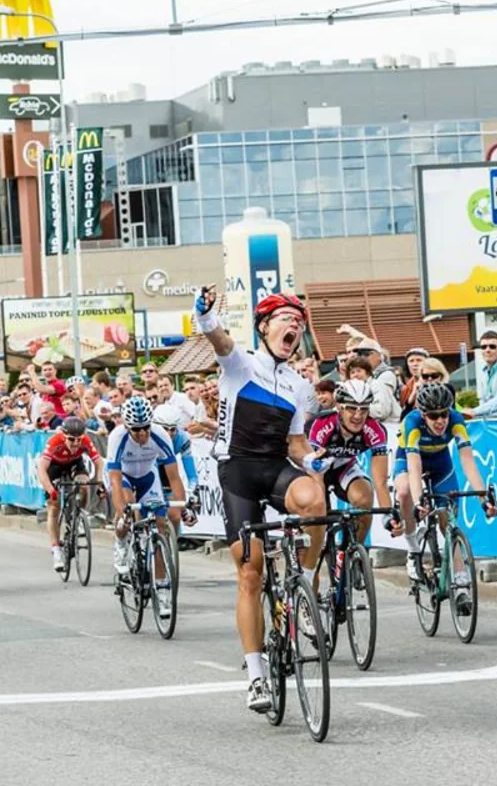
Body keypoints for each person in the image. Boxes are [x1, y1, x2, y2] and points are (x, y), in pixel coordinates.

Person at [193, 284, 325, 713]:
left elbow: (297, 445)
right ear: (265, 325)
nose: (295, 327)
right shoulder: (240, 365)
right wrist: (206, 315)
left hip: (275, 466)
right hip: (238, 472)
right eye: (287, 319)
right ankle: (255, 675)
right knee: (250, 574)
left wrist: (317, 461)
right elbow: (219, 339)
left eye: (299, 323)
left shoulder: (300, 386)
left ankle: (305, 586)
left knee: (314, 500)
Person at [392, 383, 497, 590]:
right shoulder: (411, 423)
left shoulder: (456, 420)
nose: (440, 421)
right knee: (404, 492)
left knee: (447, 520)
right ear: (422, 414)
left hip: (440, 463)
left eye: (444, 414)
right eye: (433, 416)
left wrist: (484, 499)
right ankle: (413, 550)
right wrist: (418, 501)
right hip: (409, 460)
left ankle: (459, 577)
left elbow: (468, 462)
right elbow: (414, 467)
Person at [106, 397, 194, 618]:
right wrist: (122, 512)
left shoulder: (160, 435)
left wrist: (183, 508)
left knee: (160, 528)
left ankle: (162, 587)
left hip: (148, 477)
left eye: (146, 427)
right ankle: (121, 543)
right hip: (124, 478)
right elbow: (115, 480)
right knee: (126, 512)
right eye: (137, 430)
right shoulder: (117, 437)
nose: (143, 434)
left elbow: (174, 477)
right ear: (127, 426)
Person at [307, 380, 394, 544]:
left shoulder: (374, 429)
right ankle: (310, 566)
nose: (358, 416)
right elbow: (313, 469)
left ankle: (353, 553)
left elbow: (380, 481)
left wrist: (388, 515)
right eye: (352, 408)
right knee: (316, 517)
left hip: (343, 468)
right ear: (339, 407)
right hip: (316, 471)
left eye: (364, 409)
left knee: (365, 496)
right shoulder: (322, 424)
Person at [37, 416, 105, 572]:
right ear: (63, 435)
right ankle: (55, 550)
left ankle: (80, 515)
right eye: (71, 439)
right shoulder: (55, 442)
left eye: (78, 440)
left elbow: (99, 462)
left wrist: (100, 483)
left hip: (74, 463)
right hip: (54, 466)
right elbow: (41, 469)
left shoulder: (85, 440)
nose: (75, 443)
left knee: (84, 484)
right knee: (54, 508)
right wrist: (50, 490)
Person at [151, 403, 199, 502]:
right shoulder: (148, 437)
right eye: (165, 429)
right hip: (148, 466)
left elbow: (191, 474)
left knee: (176, 507)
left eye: (172, 429)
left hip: (166, 466)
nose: (169, 434)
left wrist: (193, 490)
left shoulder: (182, 438)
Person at [399, 347, 429, 418]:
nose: (415, 364)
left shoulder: (434, 383)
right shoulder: (405, 389)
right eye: (411, 361)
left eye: (419, 360)